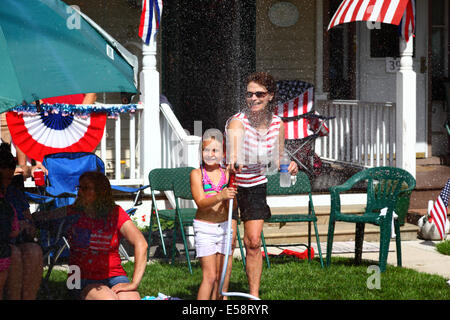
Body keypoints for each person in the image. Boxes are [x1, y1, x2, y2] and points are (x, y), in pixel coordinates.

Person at [225, 72, 298, 298]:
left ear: (270, 97)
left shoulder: (278, 124)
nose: (253, 98)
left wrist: (289, 165)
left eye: (259, 94)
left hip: (255, 185)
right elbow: (234, 152)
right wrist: (234, 161)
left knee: (254, 242)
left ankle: (254, 297)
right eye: (249, 94)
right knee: (228, 242)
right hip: (230, 185)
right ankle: (222, 295)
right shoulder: (238, 122)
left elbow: (277, 160)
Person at [33, 171, 148, 300]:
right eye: (79, 187)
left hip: (115, 275)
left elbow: (141, 243)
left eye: (86, 188)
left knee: (131, 298)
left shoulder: (116, 213)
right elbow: (42, 218)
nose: (80, 192)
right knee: (107, 298)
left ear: (101, 192)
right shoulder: (71, 212)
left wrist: (134, 283)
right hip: (78, 278)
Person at [190, 129, 238, 300]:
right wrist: (220, 195)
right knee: (209, 277)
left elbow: (232, 206)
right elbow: (201, 203)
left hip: (225, 227)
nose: (210, 154)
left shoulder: (227, 174)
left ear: (223, 153)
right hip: (205, 228)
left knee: (222, 276)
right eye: (206, 150)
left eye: (215, 150)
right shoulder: (197, 174)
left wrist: (231, 196)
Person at [2, 143, 43, 300]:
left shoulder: (14, 192)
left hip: (19, 240)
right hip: (4, 243)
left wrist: (29, 226)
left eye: (9, 177)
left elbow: (30, 220)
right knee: (14, 253)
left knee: (34, 250)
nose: (6, 181)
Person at [0, 143, 20, 300]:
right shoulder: (8, 207)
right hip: (3, 254)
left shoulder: (12, 198)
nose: (7, 183)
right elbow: (14, 230)